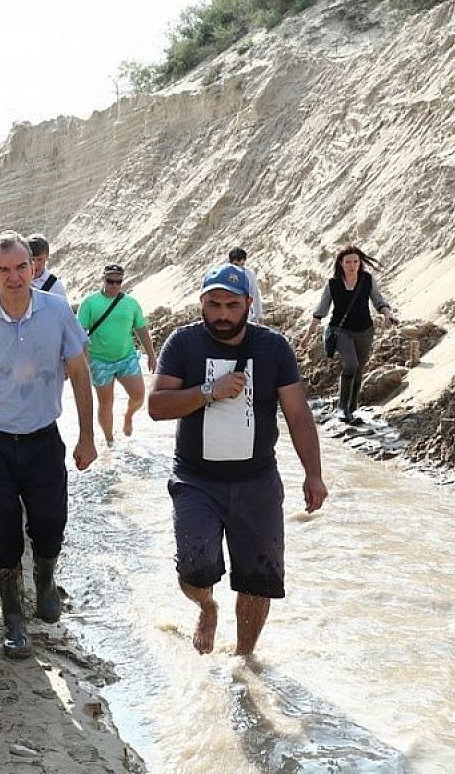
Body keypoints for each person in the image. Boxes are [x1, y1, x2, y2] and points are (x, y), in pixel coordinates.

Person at [149, 264, 327, 657]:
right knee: (194, 568)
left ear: (249, 303)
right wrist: (209, 390)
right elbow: (157, 406)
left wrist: (313, 475)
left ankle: (245, 662)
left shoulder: (273, 347)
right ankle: (207, 607)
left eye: (232, 304)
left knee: (257, 580)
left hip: (257, 481)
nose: (223, 314)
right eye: (214, 304)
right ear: (202, 303)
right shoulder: (183, 344)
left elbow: (298, 414)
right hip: (196, 479)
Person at [0, 232, 97, 660]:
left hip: (41, 436)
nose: (14, 277)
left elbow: (80, 374)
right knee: (7, 527)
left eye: (21, 267)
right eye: (4, 270)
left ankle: (46, 580)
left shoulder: (57, 312)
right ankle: (14, 619)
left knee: (51, 522)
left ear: (34, 267)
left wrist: (86, 435)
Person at [298, 246, 398, 424]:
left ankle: (352, 409)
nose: (352, 266)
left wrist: (388, 315)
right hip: (340, 330)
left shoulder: (367, 279)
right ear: (341, 264)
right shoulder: (333, 284)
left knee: (359, 368)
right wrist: (307, 336)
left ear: (360, 263)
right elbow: (320, 311)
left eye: (355, 262)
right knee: (351, 364)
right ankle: (342, 408)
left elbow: (379, 301)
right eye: (348, 262)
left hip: (365, 330)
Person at [77, 264, 157, 442]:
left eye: (118, 282)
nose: (114, 285)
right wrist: (83, 362)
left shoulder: (130, 303)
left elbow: (141, 329)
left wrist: (151, 355)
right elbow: (79, 334)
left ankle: (128, 416)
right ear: (102, 279)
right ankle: (109, 441)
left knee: (138, 396)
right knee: (106, 403)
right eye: (110, 281)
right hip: (99, 361)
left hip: (126, 358)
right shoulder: (89, 303)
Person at [28, 234, 68, 299]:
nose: (35, 264)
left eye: (39, 259)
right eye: (32, 259)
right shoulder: (19, 281)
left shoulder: (55, 286)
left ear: (47, 256)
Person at [228, 248, 262, 322]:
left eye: (242, 264)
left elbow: (255, 294)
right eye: (236, 264)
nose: (239, 268)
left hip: (245, 316)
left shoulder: (249, 274)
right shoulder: (223, 275)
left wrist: (257, 315)